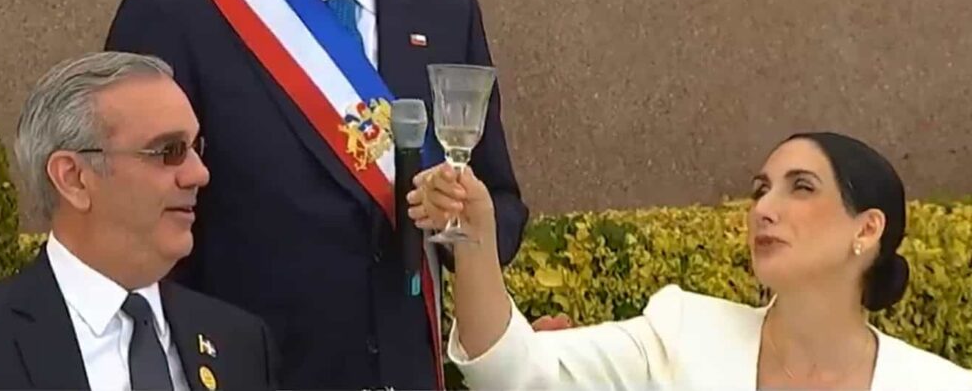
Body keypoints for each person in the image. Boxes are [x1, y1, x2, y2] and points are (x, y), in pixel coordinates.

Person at [103, 0, 529, 390]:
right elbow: (129, 227)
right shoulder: (178, 17)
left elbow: (504, 208)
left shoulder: (446, 14)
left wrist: (464, 222)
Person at [408, 131, 972, 390]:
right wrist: (475, 236)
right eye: (760, 189)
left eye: (801, 188)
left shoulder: (939, 386)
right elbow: (513, 371)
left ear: (867, 229)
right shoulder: (682, 334)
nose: (765, 209)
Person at [0, 52, 279, 391]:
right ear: (74, 178)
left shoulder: (239, 343)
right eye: (169, 151)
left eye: (196, 148)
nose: (199, 174)